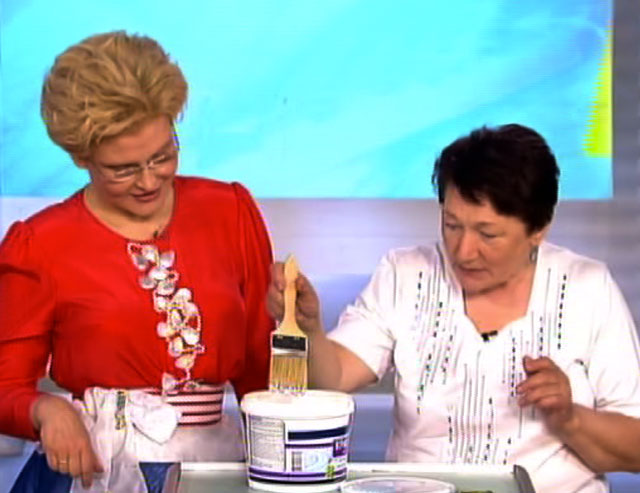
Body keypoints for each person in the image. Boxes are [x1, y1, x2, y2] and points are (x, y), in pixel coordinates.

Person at [267, 124, 640, 493]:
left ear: (538, 228)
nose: (463, 252)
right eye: (452, 225)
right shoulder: (405, 274)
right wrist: (308, 328)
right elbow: (332, 381)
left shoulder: (586, 288)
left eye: (488, 234)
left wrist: (569, 418)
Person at [0, 31, 274, 491]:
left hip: (213, 465)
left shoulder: (230, 211)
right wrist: (46, 409)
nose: (149, 181)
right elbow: (4, 386)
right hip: (97, 473)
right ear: (81, 156)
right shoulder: (40, 243)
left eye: (163, 156)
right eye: (122, 169)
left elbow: (260, 371)